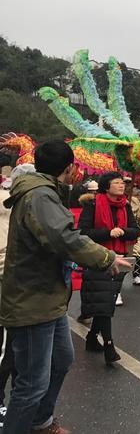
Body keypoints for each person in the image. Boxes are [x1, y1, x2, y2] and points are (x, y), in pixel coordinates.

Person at [0, 140, 130, 434]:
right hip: (32, 301)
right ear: (70, 168)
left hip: (49, 296)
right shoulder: (41, 196)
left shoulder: (45, 192)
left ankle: (41, 422)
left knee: (62, 359)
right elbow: (65, 239)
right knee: (31, 384)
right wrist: (106, 257)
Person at [79, 172, 139, 364]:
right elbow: (83, 232)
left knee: (105, 303)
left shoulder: (125, 205)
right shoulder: (93, 205)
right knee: (104, 303)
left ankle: (91, 339)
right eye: (117, 183)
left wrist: (122, 232)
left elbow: (135, 230)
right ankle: (109, 346)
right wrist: (107, 233)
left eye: (122, 183)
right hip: (98, 259)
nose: (121, 186)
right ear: (106, 186)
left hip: (120, 259)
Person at [0, 164, 35, 427]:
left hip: (17, 277)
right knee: (8, 346)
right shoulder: (21, 202)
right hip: (11, 276)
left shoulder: (25, 201)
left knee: (13, 345)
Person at [124, 179, 140, 286]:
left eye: (131, 185)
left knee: (138, 254)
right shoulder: (114, 198)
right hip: (119, 233)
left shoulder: (135, 200)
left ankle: (136, 275)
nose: (129, 187)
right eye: (126, 184)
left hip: (134, 232)